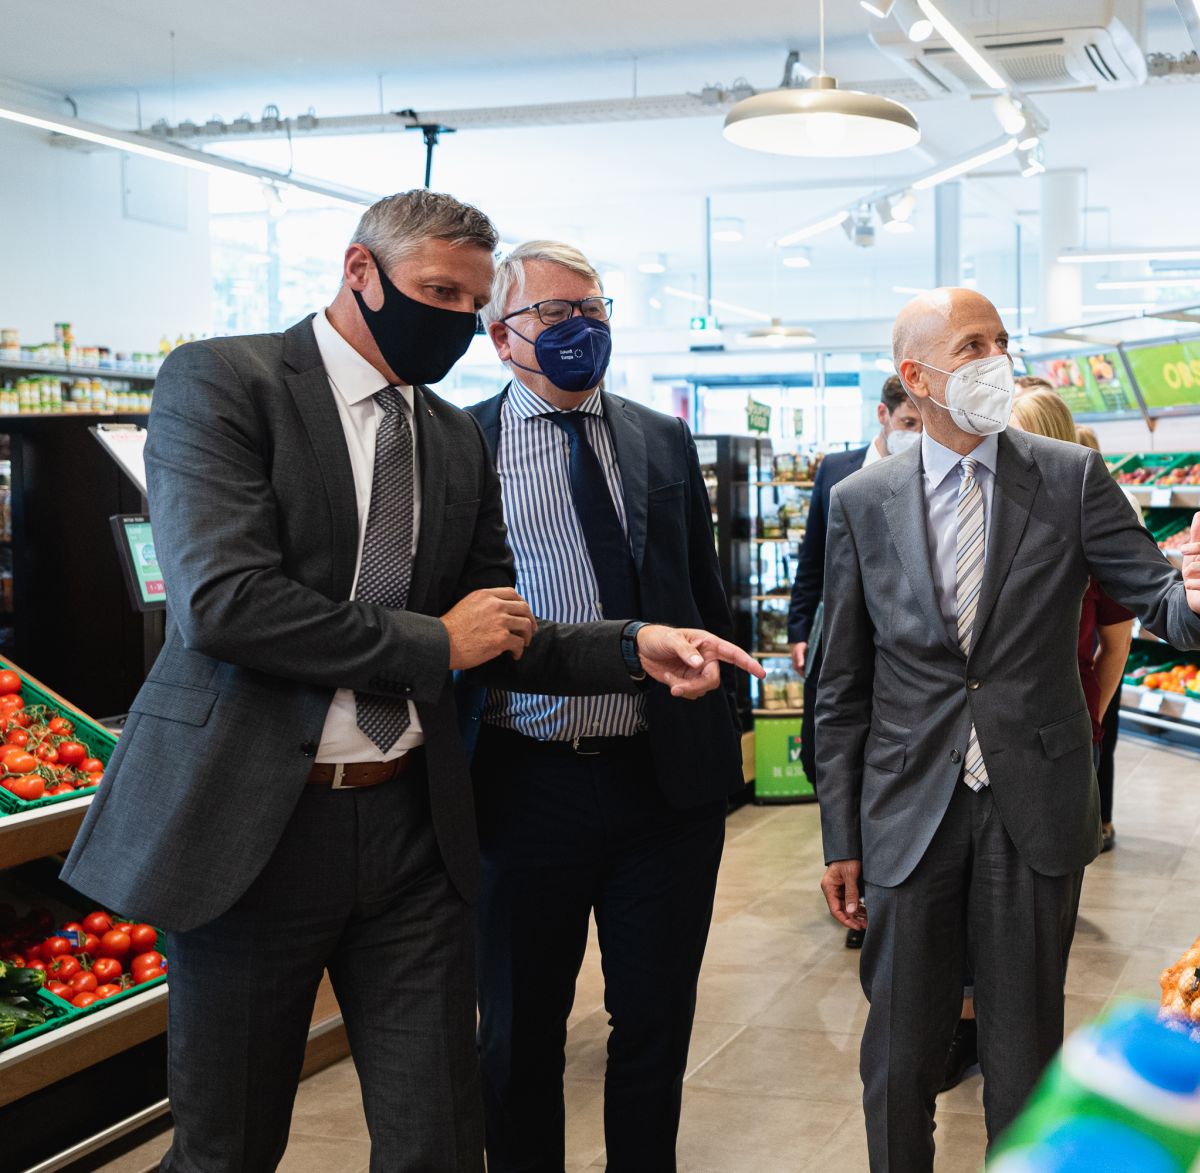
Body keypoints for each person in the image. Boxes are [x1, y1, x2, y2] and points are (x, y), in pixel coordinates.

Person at [59, 191, 761, 1173]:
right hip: (258, 822)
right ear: (359, 272)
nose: (454, 320)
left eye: (470, 304)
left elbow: (499, 628)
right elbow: (227, 604)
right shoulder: (227, 383)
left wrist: (628, 643)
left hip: (412, 829)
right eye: (435, 290)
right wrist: (435, 644)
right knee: (228, 1145)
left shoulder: (447, 434)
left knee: (438, 1135)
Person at [815, 287, 1200, 1169]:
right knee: (898, 1057)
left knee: (1022, 1059)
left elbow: (1160, 598)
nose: (994, 361)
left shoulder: (1068, 476)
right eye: (971, 346)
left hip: (1033, 804)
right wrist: (839, 833)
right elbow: (842, 685)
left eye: (1001, 341)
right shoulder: (863, 500)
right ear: (917, 376)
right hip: (908, 809)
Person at [459, 240, 744, 1172]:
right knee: (516, 1035)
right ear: (503, 339)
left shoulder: (657, 435)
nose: (582, 327)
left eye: (594, 308)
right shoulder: (462, 447)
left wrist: (720, 708)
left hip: (659, 783)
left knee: (655, 1024)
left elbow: (700, 587)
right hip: (520, 784)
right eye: (555, 314)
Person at [791, 376, 921, 950]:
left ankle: (873, 895)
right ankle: (850, 871)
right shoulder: (838, 470)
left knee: (885, 759)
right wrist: (800, 629)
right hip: (838, 637)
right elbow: (811, 556)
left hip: (899, 650)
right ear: (884, 417)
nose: (917, 435)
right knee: (830, 752)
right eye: (909, 424)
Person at [1011, 392, 1134, 853]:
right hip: (997, 732)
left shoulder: (1091, 530)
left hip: (1066, 733)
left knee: (1055, 866)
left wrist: (1091, 716)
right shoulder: (988, 516)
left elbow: (1117, 644)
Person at [1073, 423, 1132, 850]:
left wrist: (1093, 714)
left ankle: (1101, 822)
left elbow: (1118, 638)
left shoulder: (1106, 515)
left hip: (1075, 708)